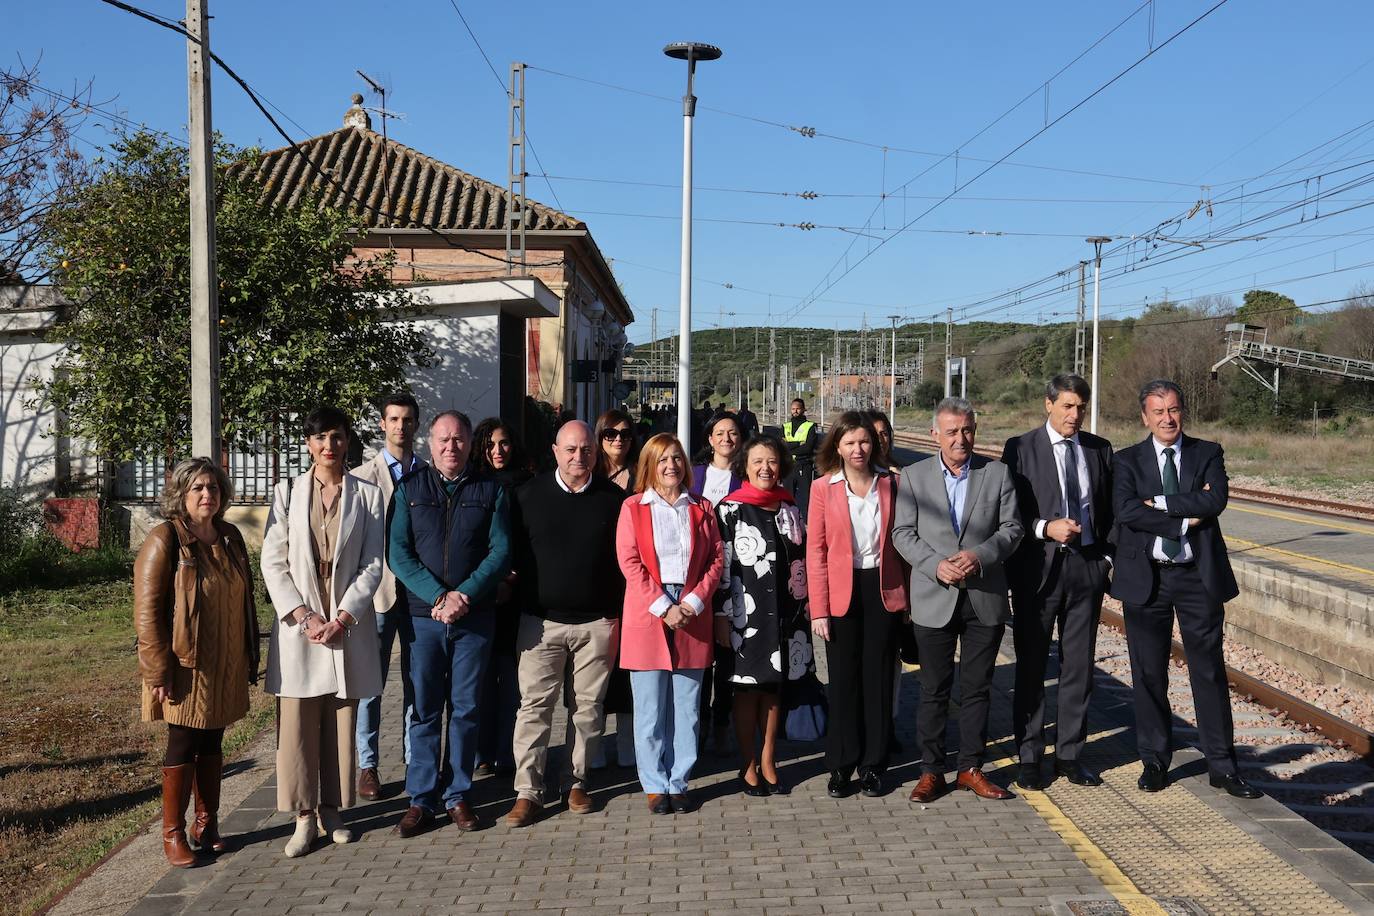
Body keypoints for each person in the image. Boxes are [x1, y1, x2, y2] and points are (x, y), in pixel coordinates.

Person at [1111, 379, 1261, 799]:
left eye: (1173, 409)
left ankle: (1223, 767)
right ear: (1145, 417)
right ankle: (1155, 761)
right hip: (1148, 578)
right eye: (1158, 412)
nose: (1167, 418)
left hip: (1198, 577)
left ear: (1183, 411)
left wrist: (1155, 504)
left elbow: (1216, 503)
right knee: (1148, 673)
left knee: (1209, 672)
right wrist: (1182, 515)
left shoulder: (1207, 452)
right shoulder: (1126, 461)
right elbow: (1123, 511)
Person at [261, 407, 385, 857]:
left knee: (338, 720)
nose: (328, 446)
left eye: (335, 437)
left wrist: (344, 616)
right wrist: (305, 615)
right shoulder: (285, 493)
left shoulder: (368, 495)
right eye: (319, 439)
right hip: (302, 629)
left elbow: (374, 562)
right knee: (296, 727)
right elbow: (272, 562)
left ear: (347, 441)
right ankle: (302, 817)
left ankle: (333, 810)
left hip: (344, 629)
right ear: (308, 445)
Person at [390, 409, 513, 837]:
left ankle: (458, 794)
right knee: (423, 709)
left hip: (473, 617)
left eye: (458, 440)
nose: (450, 448)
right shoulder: (409, 490)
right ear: (430, 444)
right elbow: (398, 554)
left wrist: (464, 595)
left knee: (466, 709)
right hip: (423, 619)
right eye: (443, 440)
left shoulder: (490, 491)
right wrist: (438, 596)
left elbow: (499, 552)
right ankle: (421, 799)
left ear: (469, 444)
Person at [893, 398, 1023, 805]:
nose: (960, 438)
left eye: (966, 430)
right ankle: (931, 771)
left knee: (977, 687)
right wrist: (935, 566)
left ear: (975, 431)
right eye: (951, 431)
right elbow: (902, 533)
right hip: (935, 595)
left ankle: (971, 767)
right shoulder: (913, 477)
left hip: (983, 595)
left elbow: (1013, 528)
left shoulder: (997, 474)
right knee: (933, 688)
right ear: (936, 435)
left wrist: (979, 556)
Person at [135, 458, 260, 867]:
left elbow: (243, 599)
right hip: (184, 665)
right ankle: (172, 832)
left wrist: (248, 654)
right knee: (183, 741)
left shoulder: (230, 536)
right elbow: (148, 612)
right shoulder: (165, 539)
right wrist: (157, 670)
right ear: (181, 495)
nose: (208, 495)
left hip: (223, 660)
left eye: (214, 488)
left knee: (213, 740)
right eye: (198, 489)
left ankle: (206, 823)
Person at [504, 421, 626, 826]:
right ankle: (528, 791)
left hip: (597, 622)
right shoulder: (526, 496)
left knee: (588, 710)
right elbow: (510, 557)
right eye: (571, 449)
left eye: (587, 449)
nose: (579, 457)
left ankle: (575, 781)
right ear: (555, 451)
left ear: (597, 452)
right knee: (534, 708)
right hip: (541, 623)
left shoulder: (614, 500)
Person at [1002, 375, 1115, 791]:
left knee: (1079, 668)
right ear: (1048, 405)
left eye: (1081, 407)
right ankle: (1030, 757)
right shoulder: (1020, 448)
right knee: (1032, 667)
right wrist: (1045, 527)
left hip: (1085, 570)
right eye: (1068, 406)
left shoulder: (1099, 449)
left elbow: (1111, 510)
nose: (1075, 415)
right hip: (1038, 572)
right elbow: (1008, 513)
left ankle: (1070, 755)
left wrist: (1104, 559)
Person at [615, 433, 724, 814]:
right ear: (649, 465)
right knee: (649, 709)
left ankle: (679, 780)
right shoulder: (633, 507)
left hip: (693, 610)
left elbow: (715, 559)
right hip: (648, 610)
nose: (671, 466)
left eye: (677, 458)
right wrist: (665, 606)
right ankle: (654, 783)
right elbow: (630, 563)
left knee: (687, 709)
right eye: (662, 460)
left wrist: (692, 602)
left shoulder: (702, 507)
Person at [806, 411, 909, 799]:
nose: (858, 449)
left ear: (876, 443)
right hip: (841, 592)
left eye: (864, 441)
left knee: (879, 680)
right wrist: (819, 609)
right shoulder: (822, 488)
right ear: (837, 446)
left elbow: (905, 542)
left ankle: (873, 764)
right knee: (844, 680)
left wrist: (909, 599)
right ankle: (841, 764)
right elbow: (815, 551)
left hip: (883, 588)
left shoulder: (894, 483)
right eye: (849, 442)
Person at [715, 434, 814, 796]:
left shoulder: (790, 507)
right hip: (745, 614)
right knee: (745, 690)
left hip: (787, 613)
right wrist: (721, 615)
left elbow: (800, 561)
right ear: (744, 465)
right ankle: (747, 763)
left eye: (771, 461)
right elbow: (721, 565)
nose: (765, 468)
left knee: (774, 689)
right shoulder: (729, 509)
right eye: (757, 461)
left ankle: (769, 759)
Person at [351, 393, 424, 802]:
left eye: (407, 419)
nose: (400, 426)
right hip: (376, 596)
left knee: (418, 682)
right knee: (370, 684)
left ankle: (416, 761)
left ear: (416, 424)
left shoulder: (428, 473)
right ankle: (368, 764)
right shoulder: (361, 478)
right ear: (382, 424)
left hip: (417, 596)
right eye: (394, 419)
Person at [470, 417, 533, 778]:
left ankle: (509, 752)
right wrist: (489, 580)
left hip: (516, 594)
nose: (498, 451)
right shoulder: (472, 484)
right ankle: (481, 752)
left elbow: (528, 539)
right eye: (491, 444)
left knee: (511, 678)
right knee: (479, 680)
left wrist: (511, 577)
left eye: (505, 443)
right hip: (481, 593)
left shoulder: (526, 484)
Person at [691, 411, 744, 753]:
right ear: (709, 439)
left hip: (736, 577)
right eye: (720, 432)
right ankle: (699, 723)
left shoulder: (746, 477)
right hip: (696, 576)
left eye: (733, 433)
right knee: (698, 656)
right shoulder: (693, 475)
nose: (726, 438)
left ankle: (722, 721)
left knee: (727, 655)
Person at [782, 398, 820, 519]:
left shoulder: (810, 426)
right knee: (787, 497)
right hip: (788, 466)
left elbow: (808, 448)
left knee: (805, 498)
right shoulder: (785, 426)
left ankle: (805, 523)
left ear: (803, 409)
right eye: (793, 409)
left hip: (804, 465)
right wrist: (798, 443)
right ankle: (788, 520)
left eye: (798, 408)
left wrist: (790, 447)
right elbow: (782, 446)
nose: (795, 411)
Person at [596, 408, 638, 493]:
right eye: (611, 434)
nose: (618, 439)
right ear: (600, 438)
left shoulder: (642, 473)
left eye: (625, 434)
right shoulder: (590, 472)